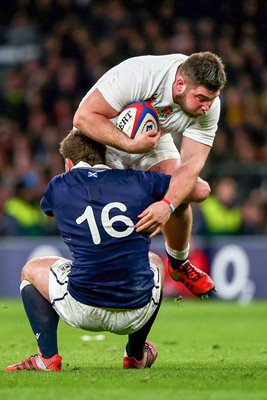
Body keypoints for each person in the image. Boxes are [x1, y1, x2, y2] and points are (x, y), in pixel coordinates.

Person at [6, 129, 176, 371]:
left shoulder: (59, 186)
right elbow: (194, 187)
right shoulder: (141, 181)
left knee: (32, 269)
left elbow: (48, 209)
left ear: (68, 162)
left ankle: (47, 358)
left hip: (82, 307)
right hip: (135, 310)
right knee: (155, 261)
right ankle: (136, 355)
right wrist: (165, 202)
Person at [73, 51, 226, 296]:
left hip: (151, 141)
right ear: (179, 84)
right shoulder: (140, 74)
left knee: (192, 191)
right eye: (200, 98)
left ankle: (179, 264)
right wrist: (130, 145)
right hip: (98, 142)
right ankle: (94, 276)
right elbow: (83, 117)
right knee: (103, 206)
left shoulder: (209, 106)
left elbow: (190, 167)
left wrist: (167, 205)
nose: (206, 106)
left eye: (211, 99)